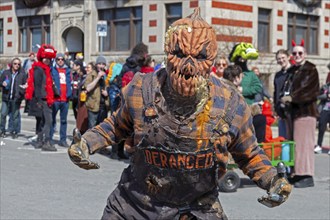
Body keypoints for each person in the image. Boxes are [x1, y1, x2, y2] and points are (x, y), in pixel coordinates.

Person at [68, 8, 291, 219]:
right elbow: (116, 125)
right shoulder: (141, 90)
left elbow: (249, 153)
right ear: (167, 53)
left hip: (196, 210)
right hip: (134, 206)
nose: (188, 66)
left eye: (200, 57)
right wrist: (86, 143)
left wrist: (273, 180)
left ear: (211, 60)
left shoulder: (230, 104)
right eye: (179, 54)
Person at [280, 39, 319, 187]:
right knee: (294, 145)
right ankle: (296, 173)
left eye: (300, 53)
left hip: (305, 112)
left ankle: (307, 175)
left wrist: (292, 98)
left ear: (305, 54)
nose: (297, 55)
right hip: (292, 113)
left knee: (304, 145)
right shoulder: (292, 71)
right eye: (295, 53)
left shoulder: (311, 69)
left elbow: (310, 91)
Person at [25, 44, 57, 152]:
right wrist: (38, 100)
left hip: (45, 98)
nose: (47, 60)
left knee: (43, 121)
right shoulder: (39, 69)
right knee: (48, 121)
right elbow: (37, 86)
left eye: (49, 58)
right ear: (41, 58)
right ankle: (46, 142)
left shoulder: (46, 69)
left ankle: (39, 141)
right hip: (42, 99)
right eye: (45, 58)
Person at [0, 58, 27, 138]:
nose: (17, 65)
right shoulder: (6, 73)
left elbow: (26, 85)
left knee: (15, 117)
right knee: (3, 114)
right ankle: (2, 130)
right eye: (15, 63)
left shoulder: (22, 74)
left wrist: (24, 87)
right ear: (12, 64)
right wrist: (2, 83)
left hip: (16, 98)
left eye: (18, 64)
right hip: (6, 97)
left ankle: (15, 131)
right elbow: (0, 82)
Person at [50, 53, 72, 147]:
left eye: (62, 59)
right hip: (55, 99)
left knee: (63, 121)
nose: (60, 61)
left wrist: (69, 94)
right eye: (58, 59)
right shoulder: (52, 70)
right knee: (52, 120)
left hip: (65, 100)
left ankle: (63, 140)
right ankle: (49, 139)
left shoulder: (67, 70)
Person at [273, 49, 292, 139]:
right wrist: (276, 108)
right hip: (280, 110)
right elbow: (276, 92)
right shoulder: (278, 75)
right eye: (279, 59)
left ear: (288, 57)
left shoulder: (294, 73)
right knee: (282, 138)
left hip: (291, 110)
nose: (281, 60)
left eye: (283, 58)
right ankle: (285, 153)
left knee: (292, 138)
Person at [314, 69, 330, 155]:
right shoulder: (325, 86)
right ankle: (319, 145)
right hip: (325, 109)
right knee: (321, 127)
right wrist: (326, 96)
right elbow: (318, 96)